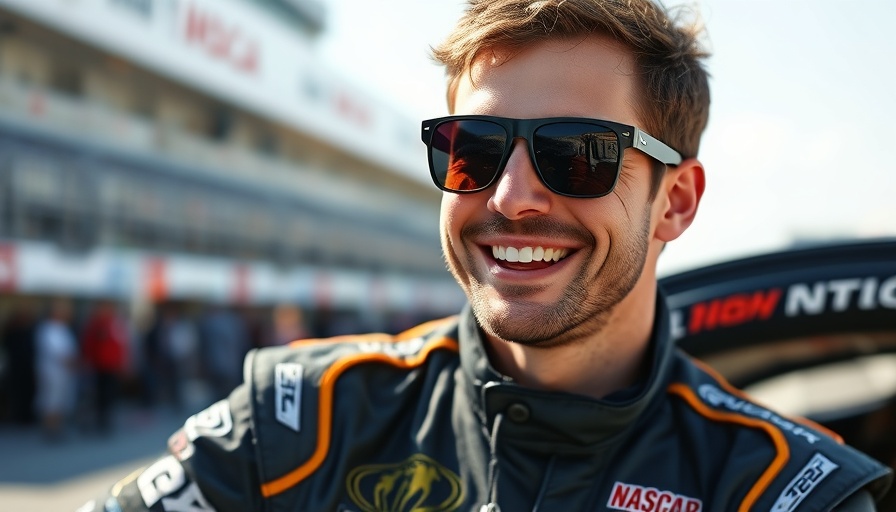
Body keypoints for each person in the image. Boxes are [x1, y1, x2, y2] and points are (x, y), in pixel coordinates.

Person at [79, 1, 892, 510]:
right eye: (472, 150)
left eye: (577, 153)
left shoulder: (781, 489)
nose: (510, 198)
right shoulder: (301, 422)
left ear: (675, 200)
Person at [34, 298, 79, 440]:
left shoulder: (63, 328)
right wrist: (72, 363)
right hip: (53, 372)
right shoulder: (48, 329)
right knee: (51, 400)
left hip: (64, 372)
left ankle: (57, 426)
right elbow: (58, 353)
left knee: (60, 400)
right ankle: (50, 429)